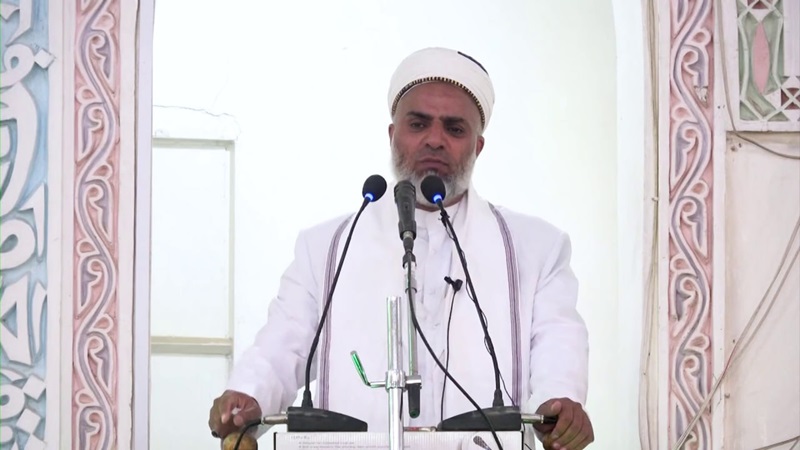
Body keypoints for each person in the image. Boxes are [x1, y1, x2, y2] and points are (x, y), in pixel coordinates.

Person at [208, 47, 594, 450]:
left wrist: (559, 403)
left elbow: (558, 344)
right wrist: (247, 395)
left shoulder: (536, 248)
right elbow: (281, 345)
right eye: (418, 124)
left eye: (454, 129)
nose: (435, 140)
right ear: (393, 135)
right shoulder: (326, 247)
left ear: (478, 147)